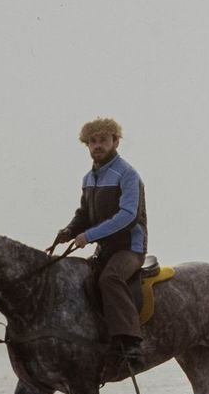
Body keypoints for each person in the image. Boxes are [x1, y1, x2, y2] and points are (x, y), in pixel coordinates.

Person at [53, 118, 148, 367]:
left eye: (103, 140)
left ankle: (130, 343)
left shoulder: (128, 174)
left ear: (115, 141)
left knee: (110, 279)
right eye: (93, 141)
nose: (98, 145)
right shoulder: (88, 178)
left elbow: (128, 216)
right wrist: (70, 230)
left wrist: (90, 236)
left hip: (130, 248)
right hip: (105, 249)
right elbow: (84, 214)